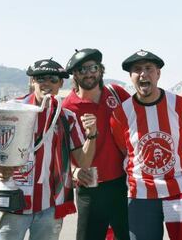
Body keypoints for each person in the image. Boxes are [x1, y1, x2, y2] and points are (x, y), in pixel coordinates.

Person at [0, 59, 97, 240]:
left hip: (49, 206)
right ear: (32, 81)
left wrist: (92, 135)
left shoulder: (66, 117)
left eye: (52, 79)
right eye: (41, 78)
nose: (46, 83)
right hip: (12, 203)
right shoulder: (11, 110)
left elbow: (83, 161)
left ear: (61, 83)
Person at [110, 50, 182, 240]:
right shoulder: (121, 113)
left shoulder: (180, 105)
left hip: (178, 189)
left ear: (158, 73)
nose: (143, 74)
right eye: (137, 70)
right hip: (141, 192)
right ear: (130, 76)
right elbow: (125, 149)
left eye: (149, 68)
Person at [63, 48, 130, 240]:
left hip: (122, 183)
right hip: (90, 187)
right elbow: (62, 152)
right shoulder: (68, 107)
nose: (89, 73)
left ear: (100, 70)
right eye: (82, 70)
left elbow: (143, 111)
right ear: (74, 75)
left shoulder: (116, 93)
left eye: (93, 67)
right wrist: (74, 172)